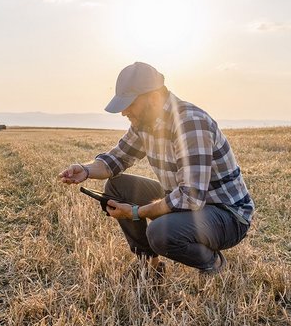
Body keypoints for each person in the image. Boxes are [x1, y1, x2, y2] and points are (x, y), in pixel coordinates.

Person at [58, 62, 254, 273]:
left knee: (160, 233)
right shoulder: (145, 123)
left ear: (153, 97)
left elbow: (191, 197)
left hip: (226, 214)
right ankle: (150, 267)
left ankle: (213, 264)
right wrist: (85, 170)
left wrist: (135, 212)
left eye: (130, 104)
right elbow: (115, 160)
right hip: (187, 202)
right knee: (118, 187)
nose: (124, 112)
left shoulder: (190, 123)